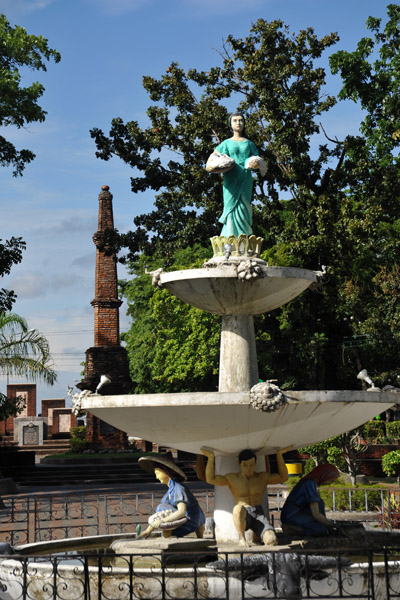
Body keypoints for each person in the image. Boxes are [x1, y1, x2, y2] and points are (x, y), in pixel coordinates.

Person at [201, 446, 291, 546]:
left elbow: (284, 477)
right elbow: (211, 479)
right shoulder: (233, 478)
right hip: (243, 514)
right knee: (238, 509)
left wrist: (279, 455)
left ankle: (257, 535)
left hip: (259, 514)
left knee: (272, 541)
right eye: (245, 465)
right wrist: (211, 458)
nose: (249, 468)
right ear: (239, 464)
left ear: (255, 464)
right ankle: (241, 538)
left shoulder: (262, 477)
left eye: (252, 465)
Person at [137, 453, 205, 539]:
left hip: (192, 521)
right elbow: (160, 513)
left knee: (166, 530)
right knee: (161, 508)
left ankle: (170, 539)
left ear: (166, 472)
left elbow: (181, 512)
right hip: (189, 519)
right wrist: (148, 531)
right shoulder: (171, 490)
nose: (157, 477)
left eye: (157, 473)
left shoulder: (178, 488)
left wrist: (163, 520)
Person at [214, 113, 260, 238]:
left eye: (240, 120)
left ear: (244, 123)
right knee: (230, 206)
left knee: (244, 205)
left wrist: (255, 163)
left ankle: (244, 237)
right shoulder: (226, 143)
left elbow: (256, 158)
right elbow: (214, 158)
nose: (238, 123)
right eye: (235, 120)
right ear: (230, 124)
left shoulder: (249, 143)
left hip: (245, 178)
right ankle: (229, 236)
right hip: (231, 178)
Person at [280, 464, 340, 537]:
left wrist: (327, 524)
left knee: (320, 503)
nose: (331, 483)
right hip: (291, 516)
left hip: (298, 513)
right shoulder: (309, 484)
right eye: (331, 480)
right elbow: (316, 514)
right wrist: (331, 524)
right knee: (320, 529)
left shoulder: (310, 482)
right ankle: (295, 530)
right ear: (325, 475)